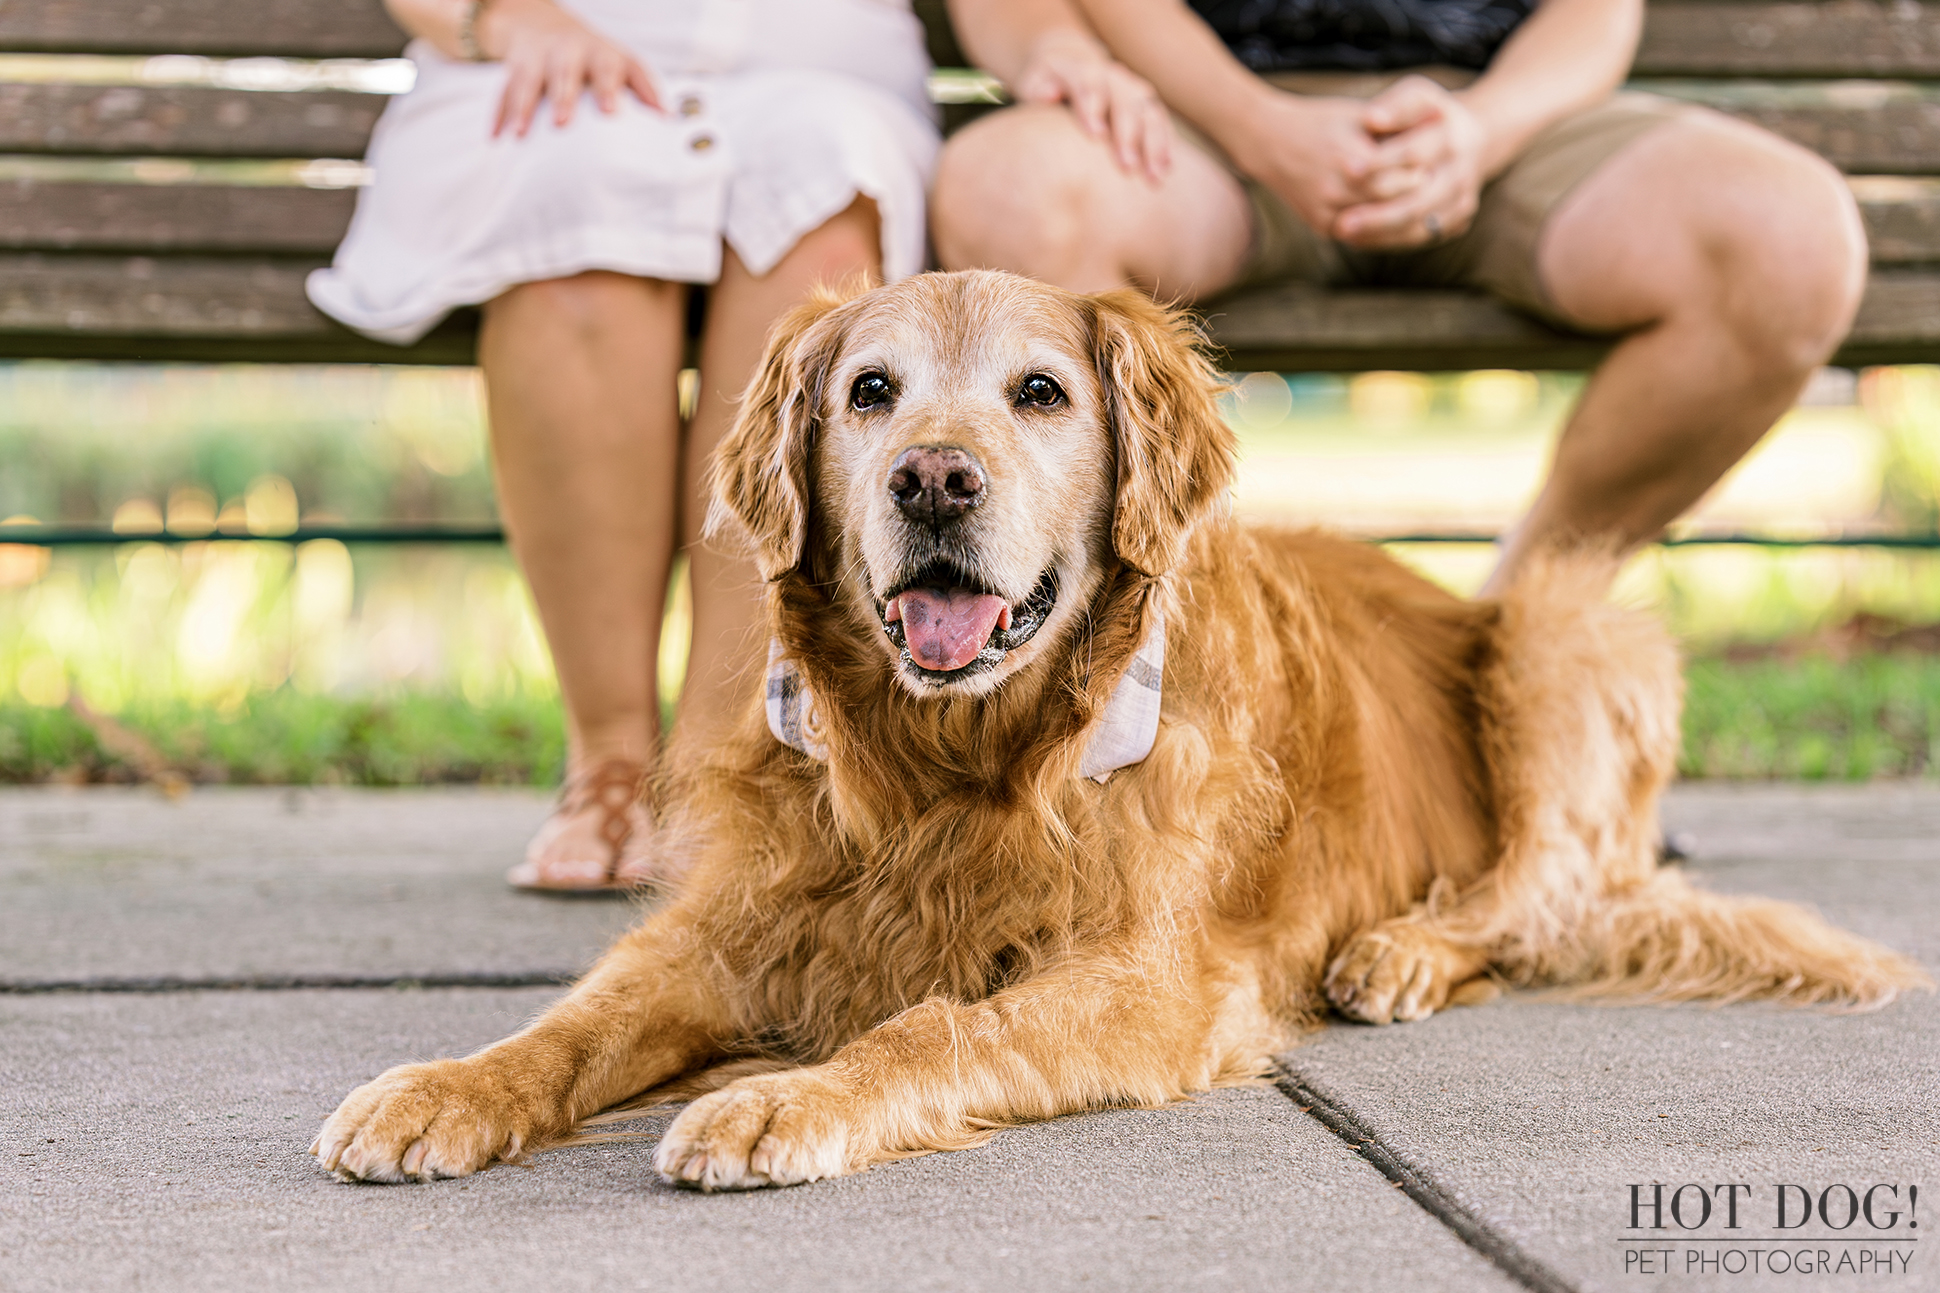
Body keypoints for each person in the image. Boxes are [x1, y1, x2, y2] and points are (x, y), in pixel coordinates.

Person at [308, 0, 939, 889]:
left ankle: (723, 765)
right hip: (551, 65)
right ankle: (607, 761)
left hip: (827, 83)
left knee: (823, 230)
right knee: (574, 218)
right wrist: (496, 18)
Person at [933, 0, 1867, 595]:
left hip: (1501, 112)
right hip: (1196, 119)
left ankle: (1513, 632)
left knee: (1790, 240)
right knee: (1006, 193)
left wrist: (1481, 131)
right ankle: (1173, 627)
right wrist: (1260, 128)